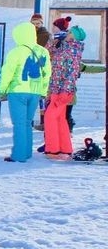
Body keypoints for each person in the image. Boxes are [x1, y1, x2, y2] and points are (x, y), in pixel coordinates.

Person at [0, 21, 50, 162]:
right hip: (35, 91)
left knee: (19, 124)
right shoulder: (43, 51)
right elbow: (47, 73)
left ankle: (19, 155)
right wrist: (43, 91)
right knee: (27, 123)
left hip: (18, 91)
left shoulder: (16, 52)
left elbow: (7, 72)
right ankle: (27, 152)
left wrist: (1, 90)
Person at [44, 25, 85, 159]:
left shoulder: (74, 49)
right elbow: (47, 53)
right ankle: (65, 149)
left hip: (62, 90)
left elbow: (72, 72)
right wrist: (53, 42)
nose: (67, 32)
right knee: (60, 119)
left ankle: (53, 150)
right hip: (55, 87)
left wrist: (65, 91)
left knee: (50, 117)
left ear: (74, 35)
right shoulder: (63, 46)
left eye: (70, 31)